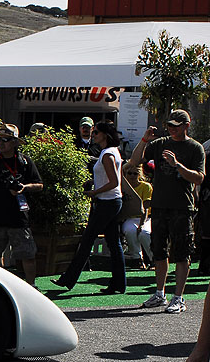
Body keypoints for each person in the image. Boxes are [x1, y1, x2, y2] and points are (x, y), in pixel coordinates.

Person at [128, 109, 207, 313]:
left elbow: (199, 178)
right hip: (160, 206)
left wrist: (177, 165)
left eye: (176, 126)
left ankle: (178, 297)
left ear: (186, 126)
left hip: (182, 207)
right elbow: (135, 161)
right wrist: (144, 140)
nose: (171, 129)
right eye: (169, 125)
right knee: (159, 251)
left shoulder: (195, 148)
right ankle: (159, 293)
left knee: (181, 253)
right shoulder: (160, 143)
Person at [53, 121, 126, 294]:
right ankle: (118, 284)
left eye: (96, 132)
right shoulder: (112, 151)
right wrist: (94, 183)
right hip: (112, 201)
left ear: (105, 135)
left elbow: (114, 182)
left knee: (87, 241)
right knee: (114, 243)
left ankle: (68, 279)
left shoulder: (107, 154)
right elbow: (111, 179)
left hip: (107, 202)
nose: (93, 135)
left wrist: (94, 192)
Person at [0, 124, 44, 285]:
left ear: (14, 142)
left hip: (18, 218)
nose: (0, 143)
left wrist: (24, 187)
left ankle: (32, 286)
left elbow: (39, 185)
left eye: (5, 140)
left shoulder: (25, 162)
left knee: (28, 255)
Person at [121, 164, 153, 270]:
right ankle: (137, 259)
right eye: (129, 173)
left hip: (146, 217)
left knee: (144, 233)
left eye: (135, 173)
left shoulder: (146, 187)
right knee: (130, 231)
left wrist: (142, 224)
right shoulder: (122, 187)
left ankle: (153, 259)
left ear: (139, 175)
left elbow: (146, 207)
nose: (132, 176)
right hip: (130, 217)